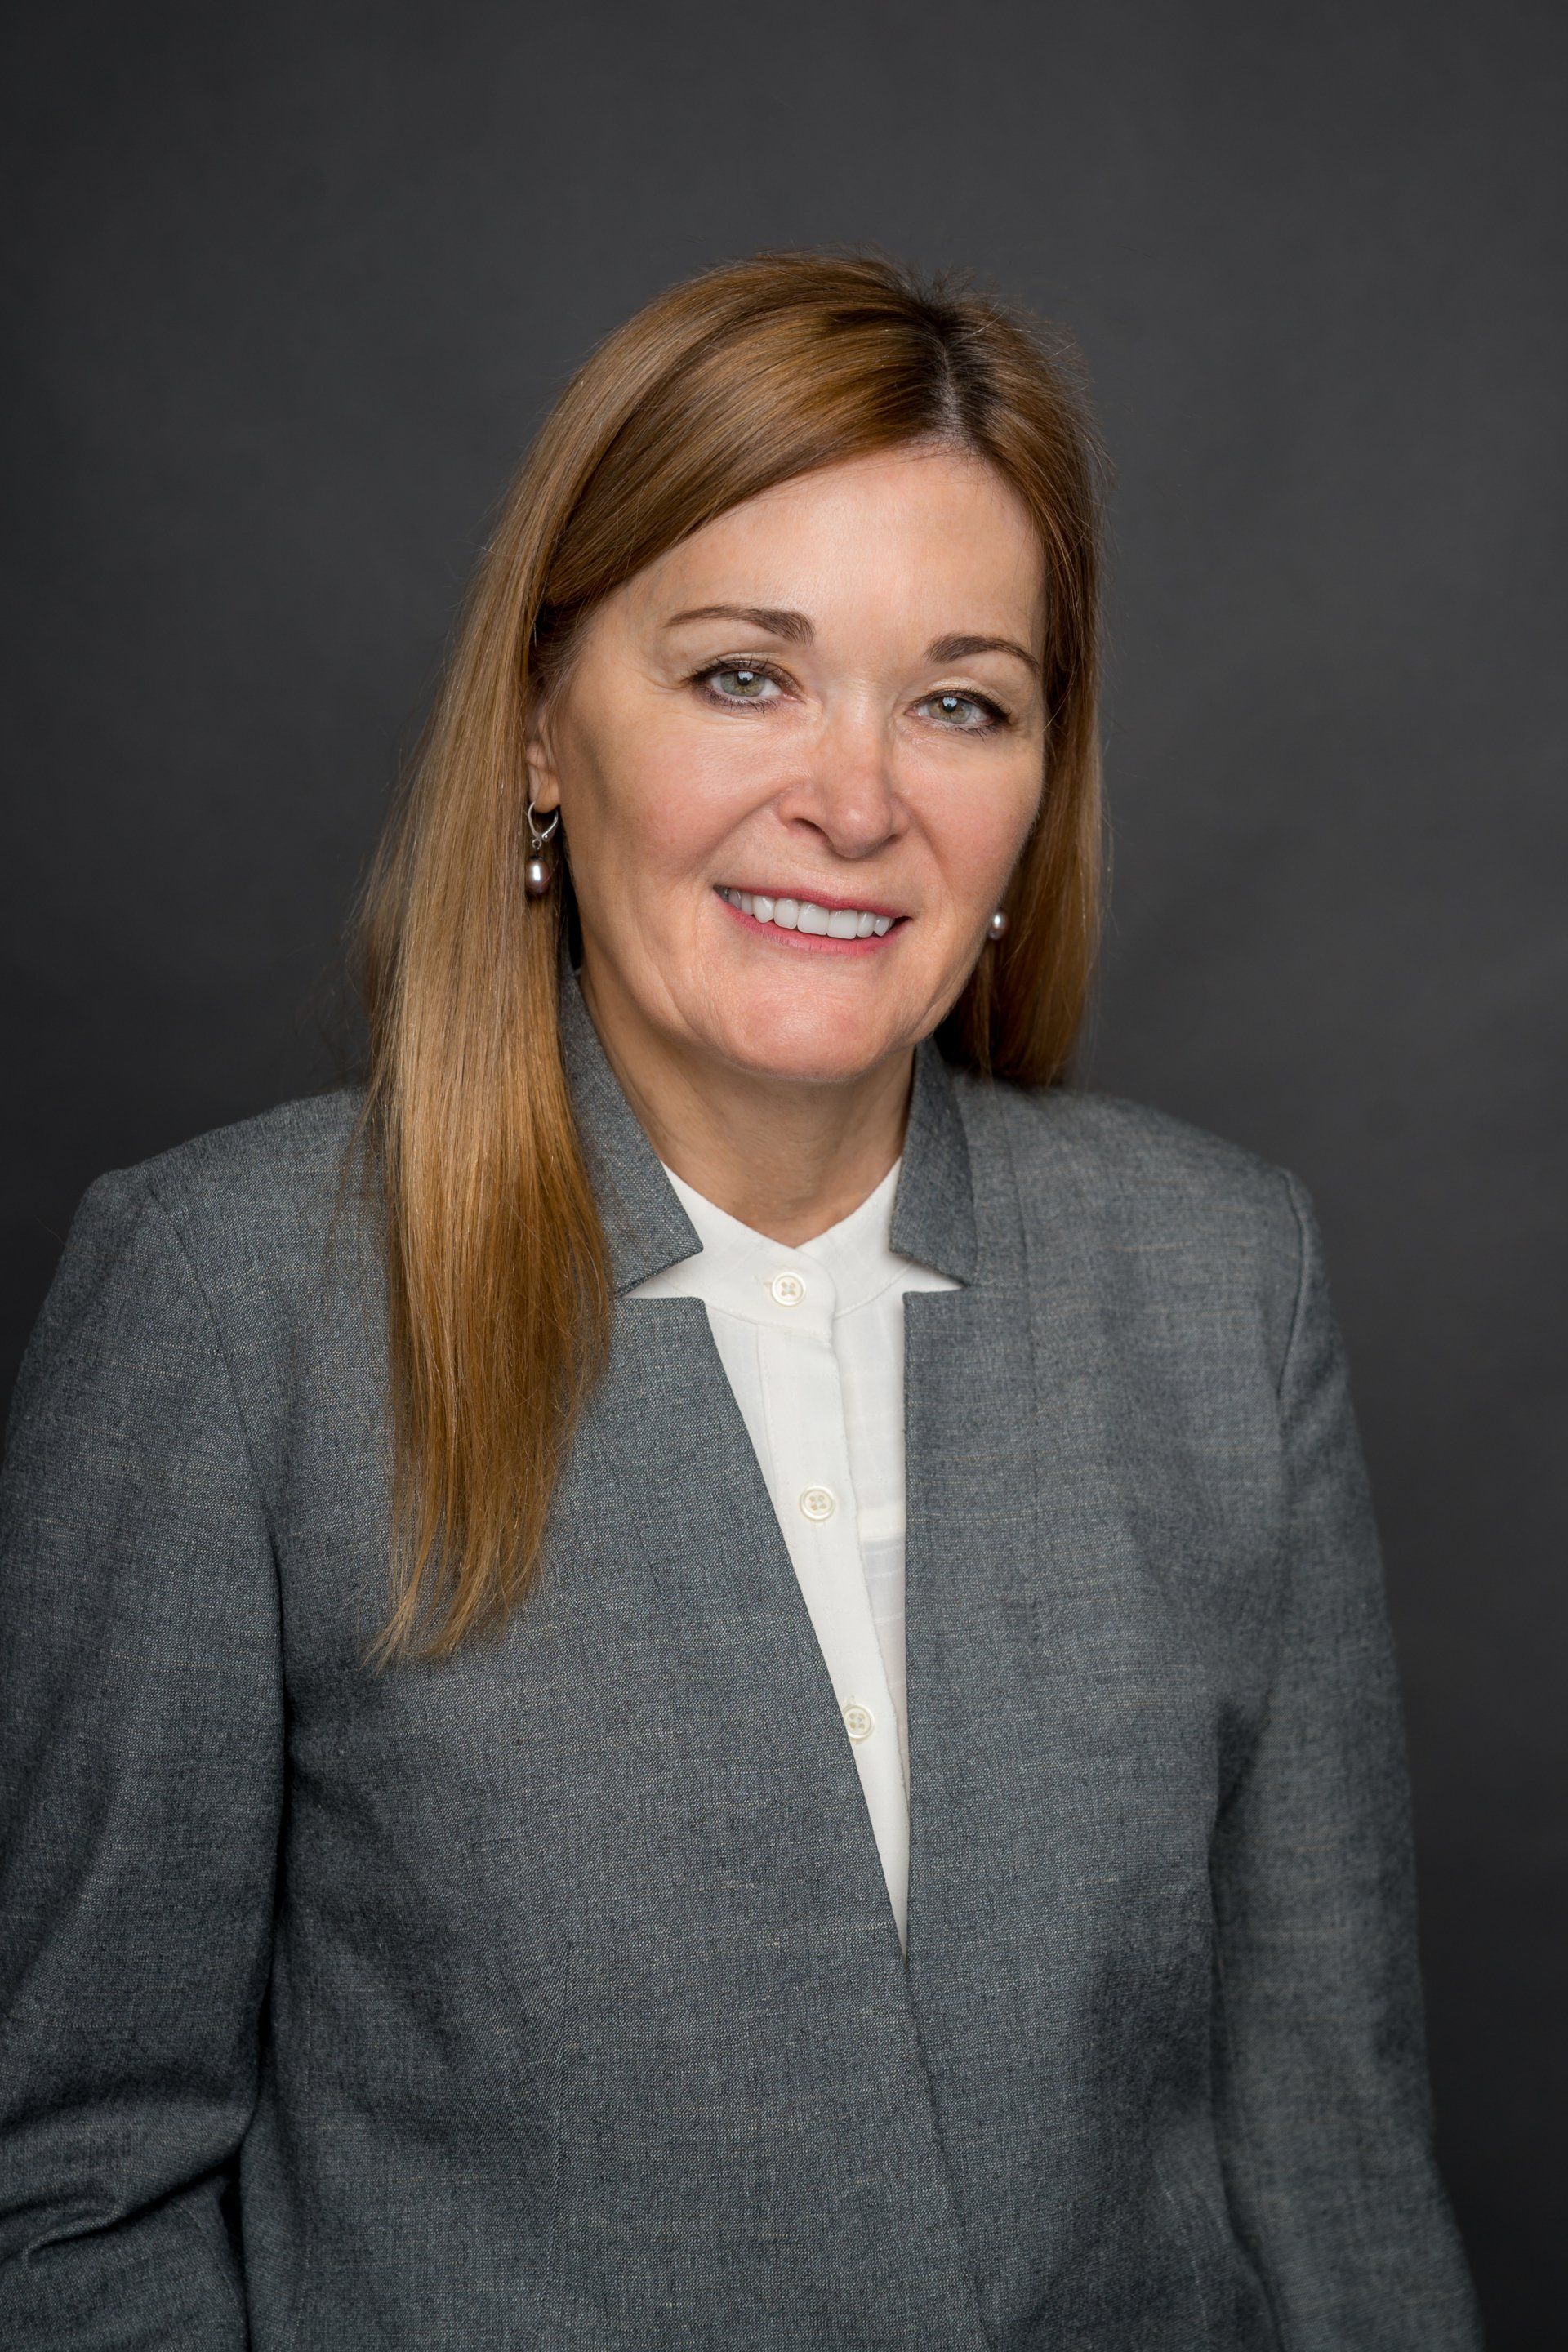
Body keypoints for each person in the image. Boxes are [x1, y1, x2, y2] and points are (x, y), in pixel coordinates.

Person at [0, 251, 1481, 2350]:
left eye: (958, 699)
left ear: (1037, 787)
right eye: (742, 676)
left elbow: (1328, 2160)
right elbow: (69, 2199)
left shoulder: (1219, 1287)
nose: (857, 800)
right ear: (538, 725)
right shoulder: (230, 1314)